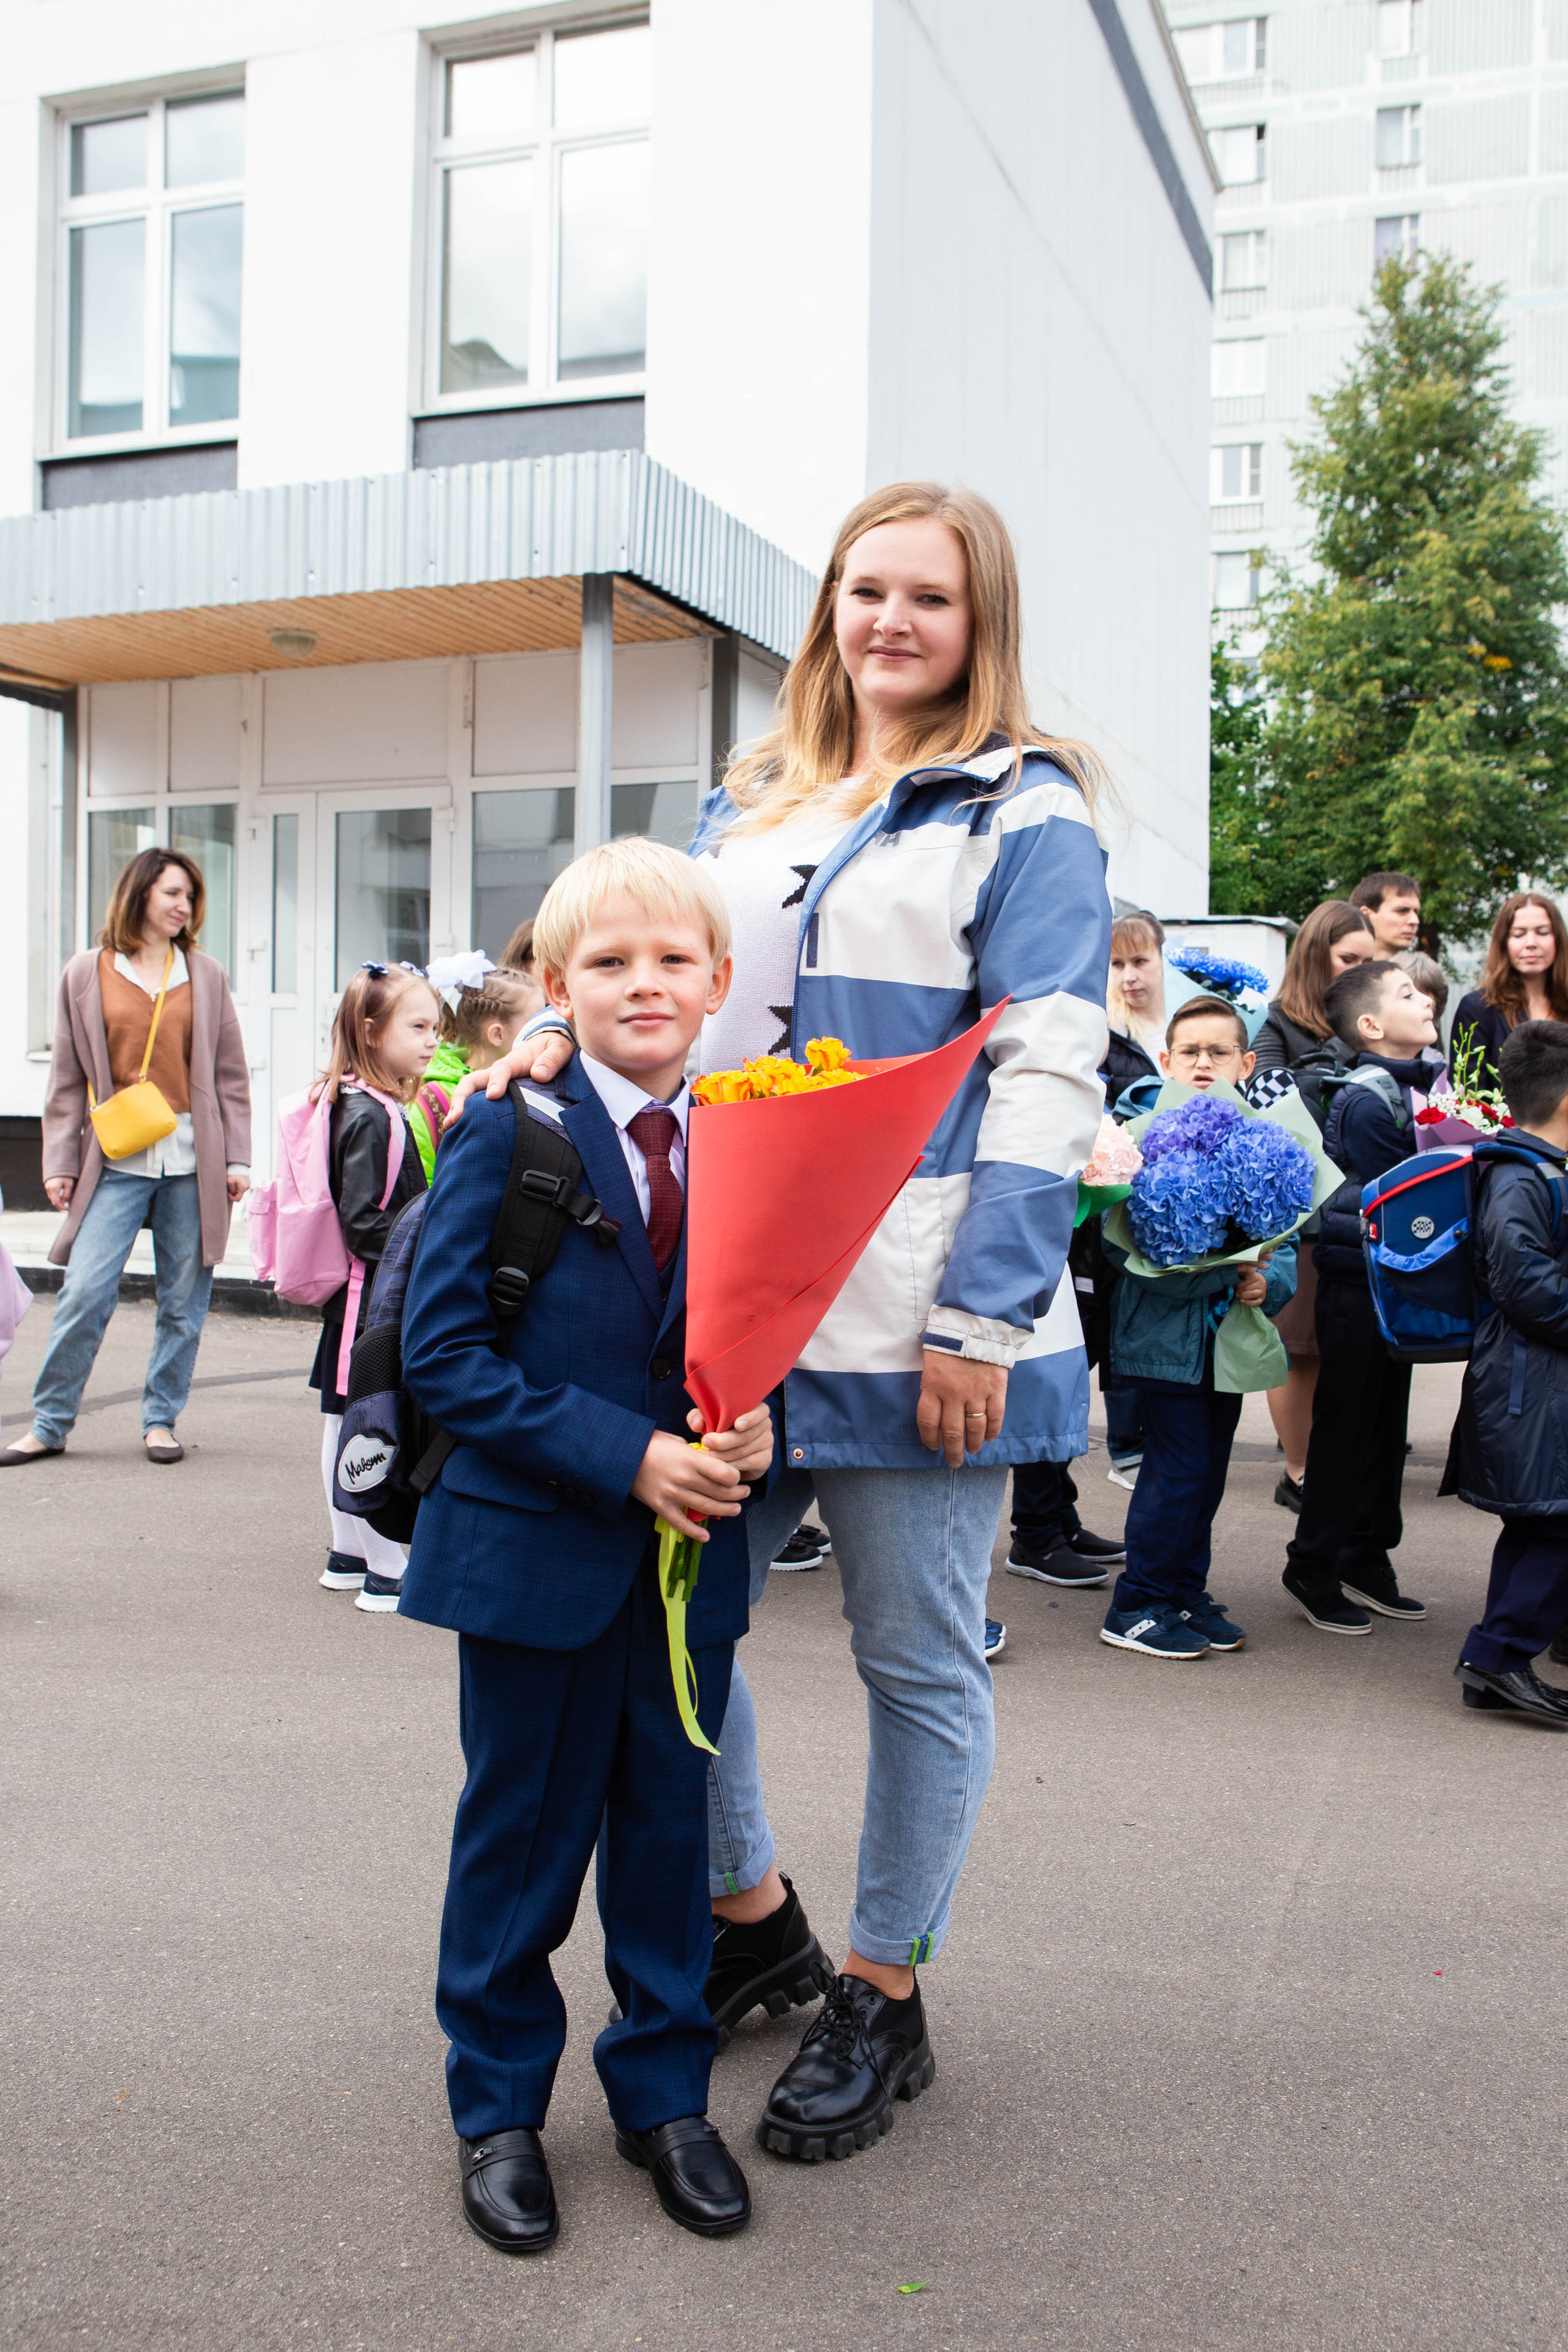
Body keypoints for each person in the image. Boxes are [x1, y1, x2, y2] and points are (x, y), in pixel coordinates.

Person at [458, 480, 1111, 2162]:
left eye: (930, 598)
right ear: (828, 607)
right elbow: (657, 968)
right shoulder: (744, 804)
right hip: (727, 1309)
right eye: (863, 589)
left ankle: (883, 1996)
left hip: (921, 1319)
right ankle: (754, 1918)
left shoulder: (1026, 810)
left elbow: (1045, 1058)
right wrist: (558, 1046)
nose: (890, 620)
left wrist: (986, 1315)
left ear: (983, 625)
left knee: (917, 1658)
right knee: (687, 1638)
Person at [399, 840, 771, 2248]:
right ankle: (496, 2106)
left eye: (673, 960)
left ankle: (663, 2094)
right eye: (608, 963)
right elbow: (442, 1352)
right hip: (534, 1554)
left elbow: (751, 1331)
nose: (644, 984)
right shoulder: (509, 1124)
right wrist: (625, 1452)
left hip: (690, 1567)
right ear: (555, 985)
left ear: (720, 981)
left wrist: (753, 1429)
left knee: (671, 1842)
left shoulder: (745, 1132)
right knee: (523, 1841)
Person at [3, 849, 249, 1471]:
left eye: (190, 897)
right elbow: (65, 1079)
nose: (183, 907)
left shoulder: (206, 973)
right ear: (138, 894)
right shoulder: (87, 972)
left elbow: (229, 1075)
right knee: (84, 1292)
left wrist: (237, 1158)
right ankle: (49, 1423)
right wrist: (58, 1161)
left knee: (182, 1302)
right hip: (114, 1158)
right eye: (171, 893)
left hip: (193, 1162)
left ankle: (161, 1419)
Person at [1099, 996, 1296, 1657]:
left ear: (1245, 1063)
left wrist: (1267, 1282)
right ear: (1166, 1060)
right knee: (1176, 1472)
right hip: (1163, 1341)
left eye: (1219, 1053)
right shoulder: (1135, 1133)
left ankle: (1183, 1590)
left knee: (1207, 1472)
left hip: (1226, 1343)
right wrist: (1212, 1268)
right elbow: (1121, 1245)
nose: (1204, 1063)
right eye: (1190, 1052)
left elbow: (1287, 1240)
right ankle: (1138, 1602)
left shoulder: (1261, 1136)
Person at [1282, 959, 1437, 1634]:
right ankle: (1313, 1562)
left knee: (1383, 1429)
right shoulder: (1366, 1097)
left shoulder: (1420, 1085)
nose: (1425, 999)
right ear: (1371, 1025)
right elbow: (1402, 1193)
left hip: (1392, 1286)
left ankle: (1366, 1553)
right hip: (1357, 1284)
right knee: (1346, 1430)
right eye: (1406, 994)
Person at [1441, 1022, 1568, 1728]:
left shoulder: (1537, 1171)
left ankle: (1497, 1662)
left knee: (1540, 1525)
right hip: (1532, 1389)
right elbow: (1524, 1285)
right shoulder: (1521, 1176)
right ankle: (1494, 1656)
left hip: (1540, 1386)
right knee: (1551, 1527)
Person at [309, 962, 436, 1610]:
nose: (432, 1040)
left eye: (435, 1027)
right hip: (371, 1307)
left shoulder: (353, 1103)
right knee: (372, 1423)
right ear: (370, 1030)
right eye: (416, 1026)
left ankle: (349, 1553)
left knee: (342, 1420)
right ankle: (386, 1568)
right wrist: (425, 1256)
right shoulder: (374, 1116)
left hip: (353, 1305)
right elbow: (365, 1224)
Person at [1250, 901, 1376, 1511]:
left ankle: (1316, 1468)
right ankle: (1297, 1472)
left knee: (1332, 1355)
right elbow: (1278, 1110)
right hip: (1301, 1214)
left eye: (1367, 962)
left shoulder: (1365, 1023)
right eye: (1348, 959)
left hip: (1357, 1213)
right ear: (1314, 956)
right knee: (1296, 1352)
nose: (1358, 970)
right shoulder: (1275, 1026)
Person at [409, 959, 540, 1179]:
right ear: (497, 1034)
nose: (543, 1029)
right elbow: (424, 1185)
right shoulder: (432, 1101)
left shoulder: (535, 1084)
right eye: (534, 1021)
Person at [1450, 894, 1568, 1093]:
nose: (1531, 943)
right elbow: (1468, 1099)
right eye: (1519, 934)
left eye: (1543, 932)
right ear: (1504, 942)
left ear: (1558, 938)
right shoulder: (1478, 1009)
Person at [1104, 911, 1165, 1095]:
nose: (1129, 977)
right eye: (1117, 964)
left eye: (1139, 961)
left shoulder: (1195, 1021)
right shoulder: (1104, 1031)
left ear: (1164, 958)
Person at [1349, 872, 1422, 956]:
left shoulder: (1424, 968)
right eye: (1402, 910)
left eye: (1416, 912)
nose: (1415, 921)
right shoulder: (1337, 967)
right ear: (1365, 916)